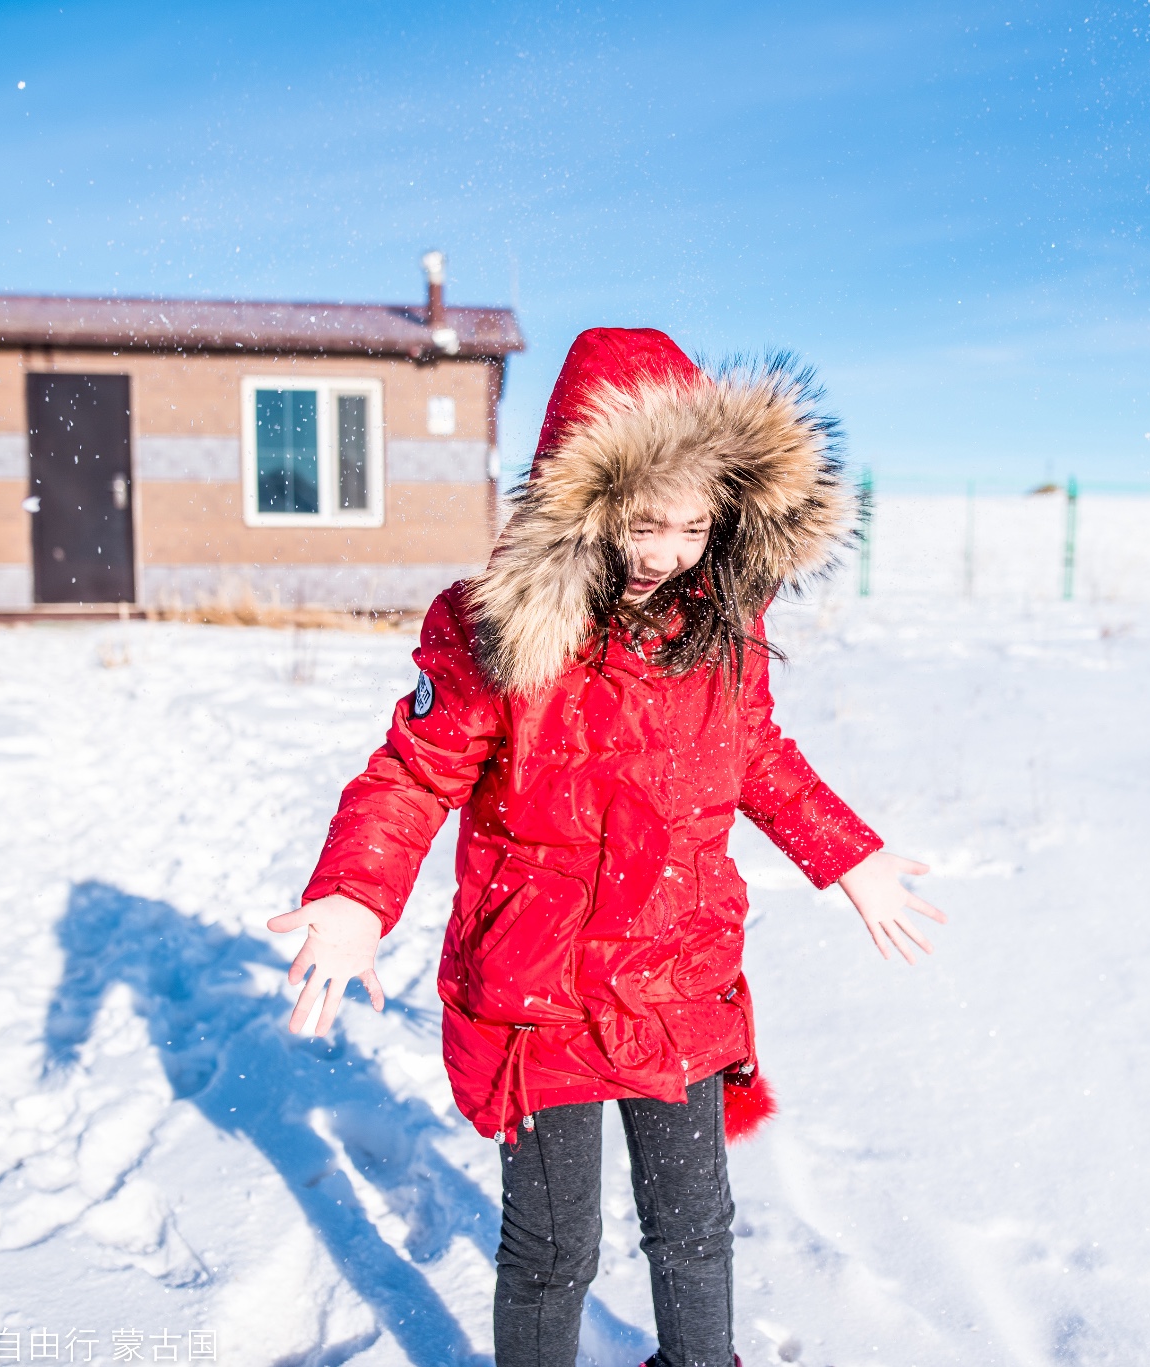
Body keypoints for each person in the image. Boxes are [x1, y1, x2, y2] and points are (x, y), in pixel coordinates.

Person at [270, 327, 946, 1367]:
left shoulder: (719, 624)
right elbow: (413, 771)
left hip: (678, 975)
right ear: (577, 500)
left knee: (694, 1230)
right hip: (539, 990)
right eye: (640, 521)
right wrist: (357, 894)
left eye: (690, 526)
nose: (663, 552)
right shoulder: (496, 629)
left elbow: (754, 751)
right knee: (551, 1250)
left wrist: (845, 853)